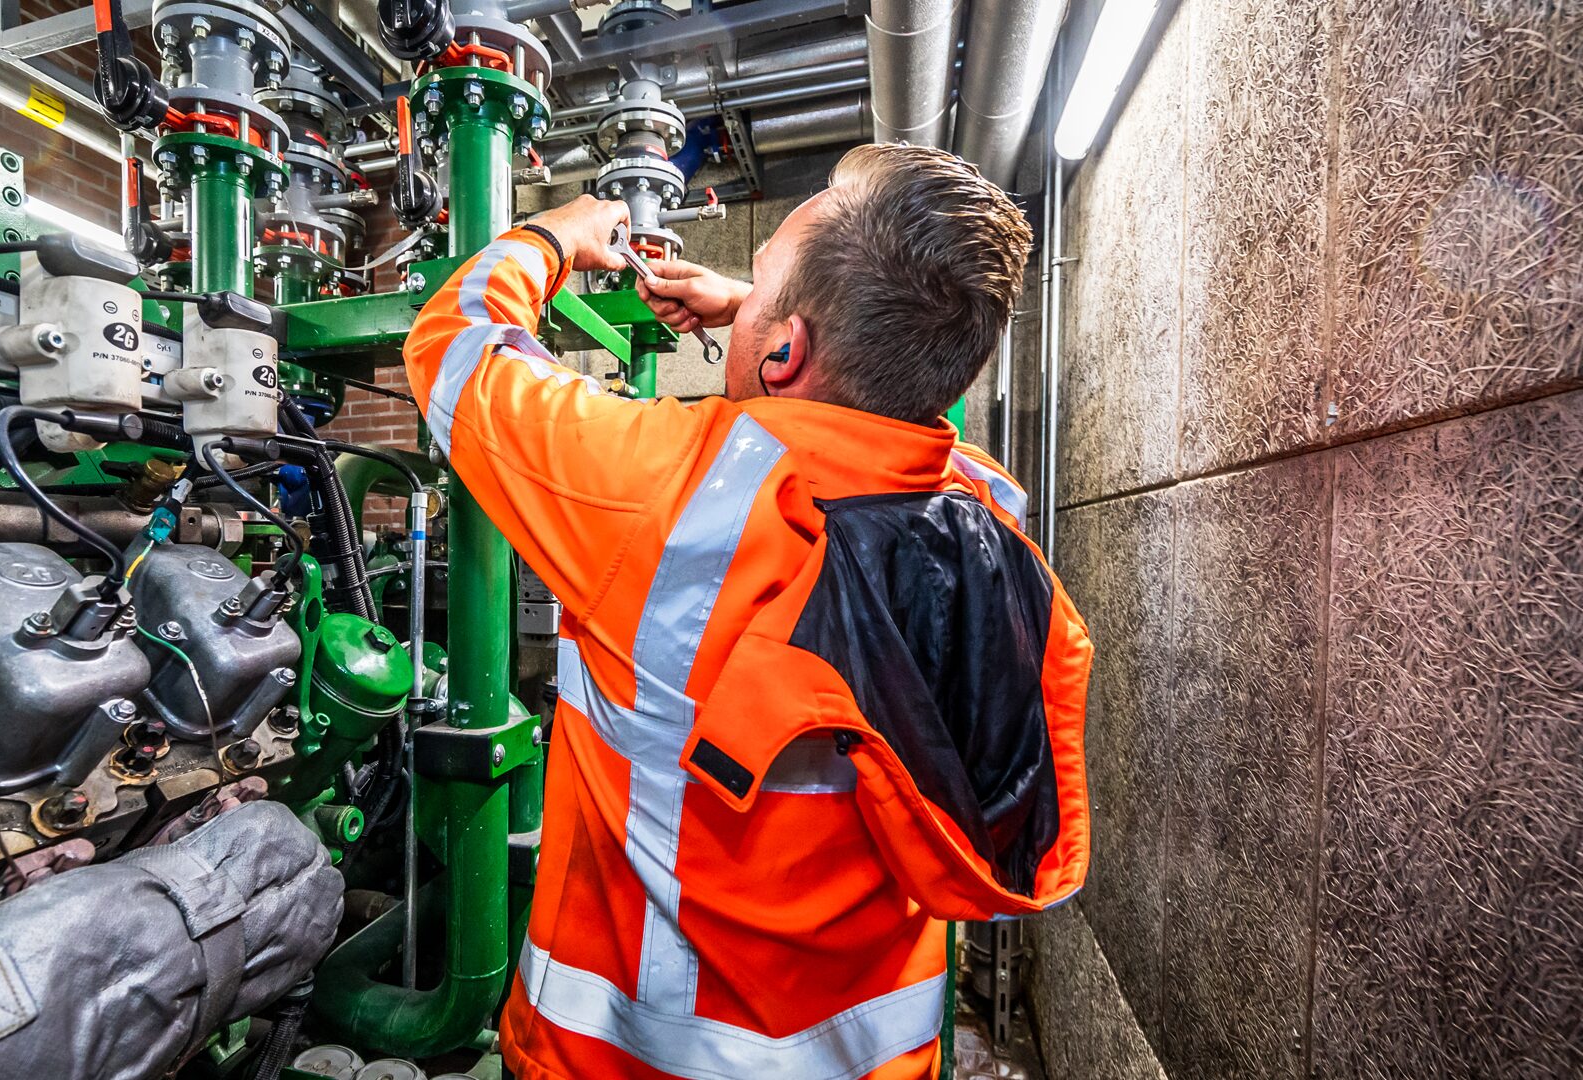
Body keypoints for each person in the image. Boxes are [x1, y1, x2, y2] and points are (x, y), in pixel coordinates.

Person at [402, 143, 1093, 1080]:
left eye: (760, 278)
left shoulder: (663, 490)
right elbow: (900, 417)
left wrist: (551, 236)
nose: (745, 291)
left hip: (628, 1064)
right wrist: (758, 309)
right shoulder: (989, 517)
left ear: (787, 350)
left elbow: (454, 343)